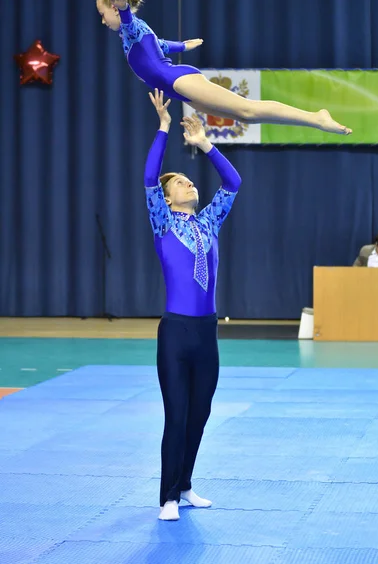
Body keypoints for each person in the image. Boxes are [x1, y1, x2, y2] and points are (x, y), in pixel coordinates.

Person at [144, 88, 241, 521]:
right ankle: (167, 497)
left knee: (200, 416)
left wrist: (206, 144)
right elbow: (150, 177)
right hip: (176, 332)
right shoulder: (163, 221)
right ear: (167, 199)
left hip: (206, 333)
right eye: (180, 181)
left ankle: (184, 486)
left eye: (189, 178)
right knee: (177, 416)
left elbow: (233, 182)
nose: (189, 182)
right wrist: (164, 128)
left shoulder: (209, 222)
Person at [96, 0, 352, 136]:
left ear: (116, 10)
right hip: (177, 87)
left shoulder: (130, 26)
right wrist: (184, 46)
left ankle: (316, 118)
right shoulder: (132, 35)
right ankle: (313, 119)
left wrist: (125, 8)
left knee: (247, 110)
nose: (102, 20)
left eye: (104, 13)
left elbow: (129, 22)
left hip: (177, 79)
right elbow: (160, 45)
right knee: (243, 117)